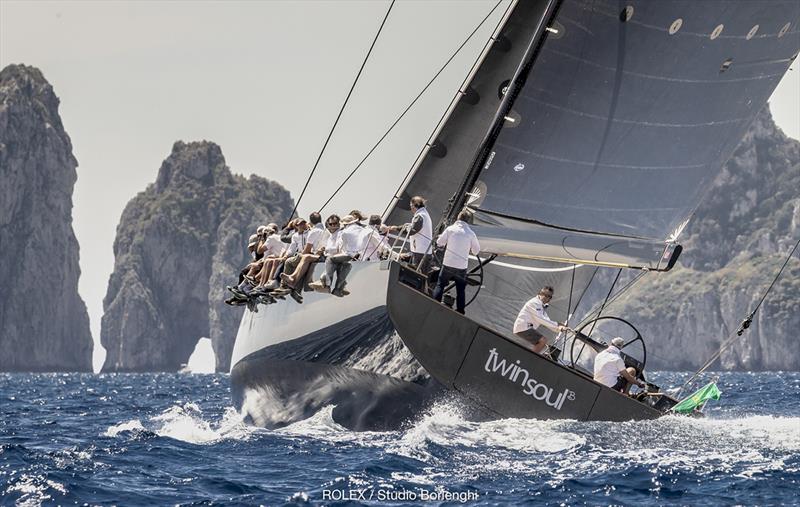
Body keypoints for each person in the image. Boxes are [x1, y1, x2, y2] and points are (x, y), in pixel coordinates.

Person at [432, 210, 480, 314]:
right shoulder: (471, 234)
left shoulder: (450, 229)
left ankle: (434, 304)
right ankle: (460, 311)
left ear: (458, 217)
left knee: (440, 285)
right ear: (468, 221)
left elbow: (439, 243)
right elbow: (476, 251)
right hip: (461, 267)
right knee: (460, 290)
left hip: (448, 264)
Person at [513, 286, 568, 354]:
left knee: (544, 344)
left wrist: (559, 328)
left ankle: (531, 357)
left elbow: (547, 320)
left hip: (526, 328)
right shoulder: (535, 303)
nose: (547, 298)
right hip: (523, 327)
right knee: (543, 341)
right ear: (540, 294)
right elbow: (541, 319)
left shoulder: (541, 305)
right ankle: (530, 359)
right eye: (546, 295)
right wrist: (557, 325)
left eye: (550, 297)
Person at [280, 212, 326, 291]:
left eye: (303, 223)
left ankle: (286, 285)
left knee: (291, 261)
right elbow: (292, 248)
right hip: (317, 254)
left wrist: (301, 254)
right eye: (299, 224)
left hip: (314, 254)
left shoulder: (312, 232)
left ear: (309, 222)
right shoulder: (324, 230)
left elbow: (307, 250)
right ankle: (291, 284)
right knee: (296, 259)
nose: (302, 225)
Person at [388, 196, 432, 272]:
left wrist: (397, 228)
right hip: (424, 250)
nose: (411, 209)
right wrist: (398, 227)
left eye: (411, 206)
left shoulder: (420, 216)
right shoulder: (424, 214)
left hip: (419, 251)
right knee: (423, 273)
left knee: (416, 273)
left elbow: (412, 230)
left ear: (416, 205)